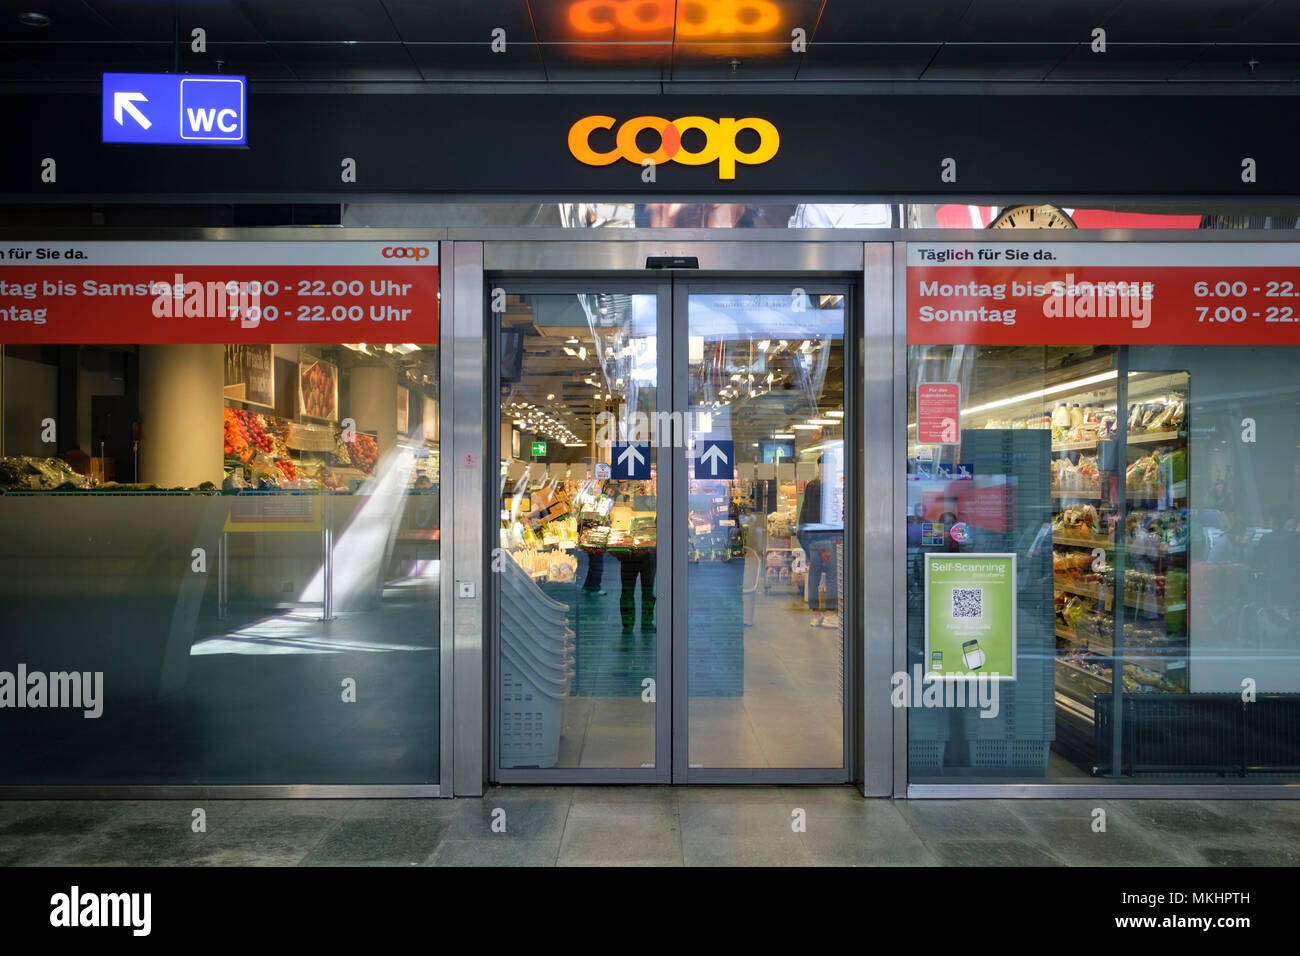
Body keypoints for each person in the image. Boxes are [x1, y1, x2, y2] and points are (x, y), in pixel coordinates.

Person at [798, 454, 839, 628]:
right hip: (829, 539)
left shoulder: (810, 486)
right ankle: (830, 614)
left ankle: (816, 615)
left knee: (813, 577)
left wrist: (804, 540)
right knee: (832, 578)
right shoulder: (833, 487)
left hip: (813, 540)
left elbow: (804, 514)